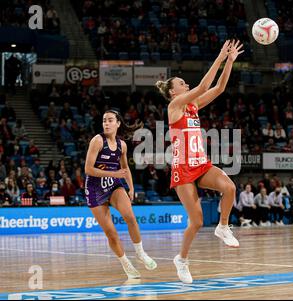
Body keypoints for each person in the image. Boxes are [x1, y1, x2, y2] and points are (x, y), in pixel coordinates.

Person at [155, 39, 243, 284]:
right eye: (182, 83)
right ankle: (181, 260)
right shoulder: (175, 106)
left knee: (230, 187)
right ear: (173, 91)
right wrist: (220, 55)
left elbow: (219, 87)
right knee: (196, 221)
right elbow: (205, 84)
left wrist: (230, 62)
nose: (187, 84)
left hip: (200, 164)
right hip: (182, 169)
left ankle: (223, 227)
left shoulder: (192, 106)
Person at [84, 110, 157, 280]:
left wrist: (131, 188)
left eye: (110, 120)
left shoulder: (122, 145)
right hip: (95, 188)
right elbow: (88, 169)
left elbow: (125, 169)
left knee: (130, 217)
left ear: (118, 123)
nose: (106, 123)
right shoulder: (97, 141)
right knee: (111, 233)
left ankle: (140, 253)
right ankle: (125, 263)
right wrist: (114, 174)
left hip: (113, 185)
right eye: (104, 120)